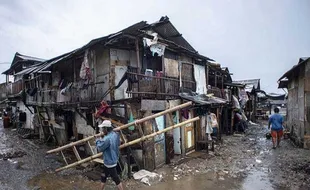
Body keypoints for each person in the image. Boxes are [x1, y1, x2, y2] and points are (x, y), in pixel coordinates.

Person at [96, 120, 123, 190]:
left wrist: (97, 139)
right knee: (103, 176)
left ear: (106, 129)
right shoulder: (115, 134)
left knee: (116, 178)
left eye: (103, 128)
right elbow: (119, 144)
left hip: (109, 162)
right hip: (113, 159)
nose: (102, 130)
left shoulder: (107, 139)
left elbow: (100, 148)